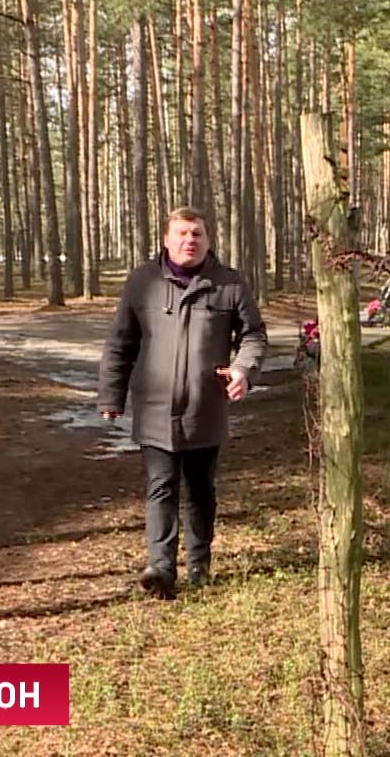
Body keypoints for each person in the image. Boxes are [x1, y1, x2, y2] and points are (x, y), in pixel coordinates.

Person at [99, 208, 268, 599]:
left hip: (204, 407)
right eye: (182, 233)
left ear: (208, 241)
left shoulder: (228, 284)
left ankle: (198, 564)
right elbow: (120, 341)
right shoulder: (142, 282)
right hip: (154, 407)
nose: (189, 240)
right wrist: (112, 395)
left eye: (197, 234)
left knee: (199, 489)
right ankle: (160, 567)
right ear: (166, 239)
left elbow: (254, 335)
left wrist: (244, 369)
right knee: (160, 485)